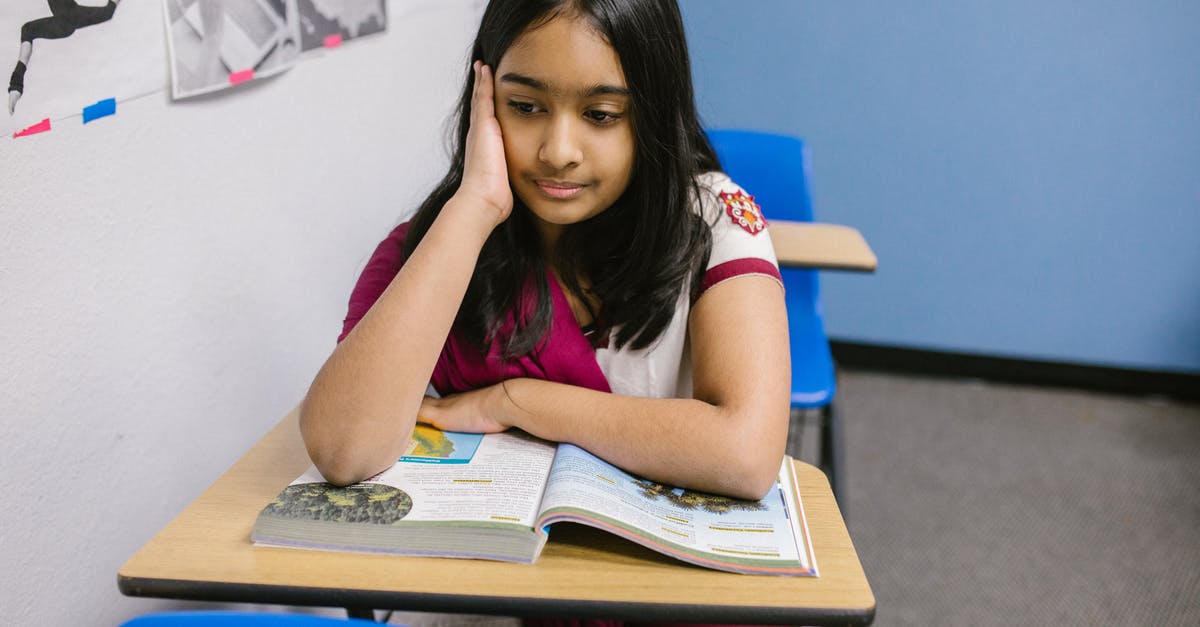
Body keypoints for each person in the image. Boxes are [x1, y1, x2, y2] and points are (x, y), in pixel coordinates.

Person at [300, 0, 790, 505]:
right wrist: (474, 206)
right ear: (484, 100)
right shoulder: (437, 240)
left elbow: (746, 454)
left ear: (654, 114)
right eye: (525, 107)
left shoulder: (714, 221)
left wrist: (516, 401)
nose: (558, 151)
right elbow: (344, 450)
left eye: (601, 115)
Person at [8, 0, 120, 115]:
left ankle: (16, 85)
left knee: (27, 30)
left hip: (65, 22)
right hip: (66, 21)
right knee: (27, 30)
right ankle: (16, 85)